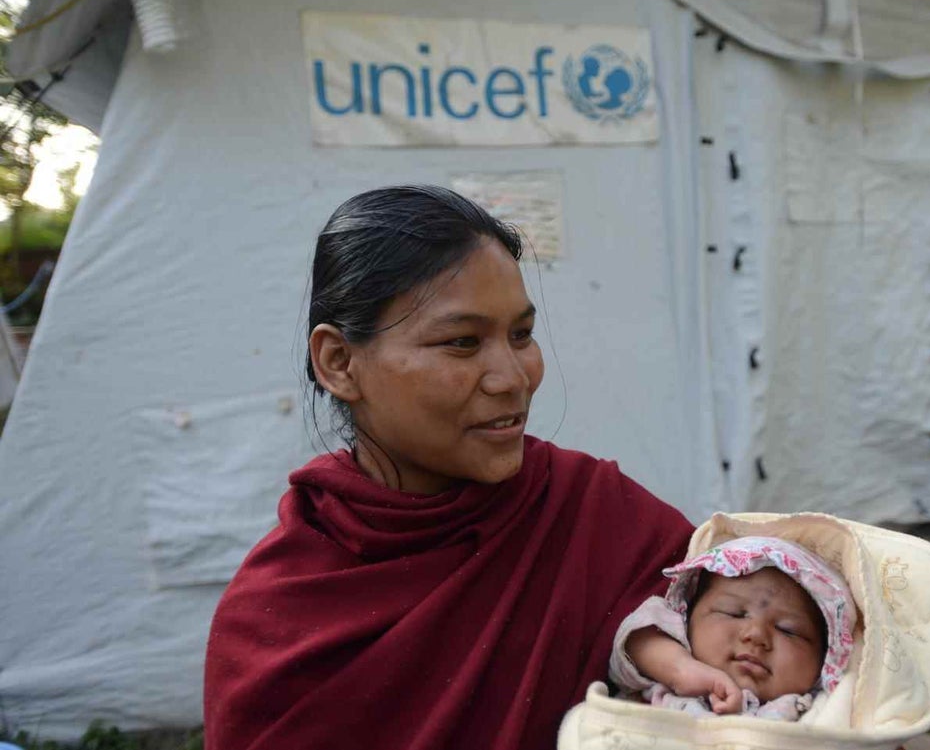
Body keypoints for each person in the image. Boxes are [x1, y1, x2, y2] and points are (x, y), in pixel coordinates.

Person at [203, 185, 693, 750]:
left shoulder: (601, 521)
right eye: (462, 342)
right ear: (339, 363)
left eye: (522, 335)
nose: (512, 377)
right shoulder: (277, 617)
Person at [608, 535, 856, 721]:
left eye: (787, 630)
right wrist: (681, 671)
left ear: (826, 659)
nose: (757, 635)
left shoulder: (822, 710)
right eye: (733, 613)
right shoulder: (672, 669)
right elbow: (633, 640)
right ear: (687, 618)